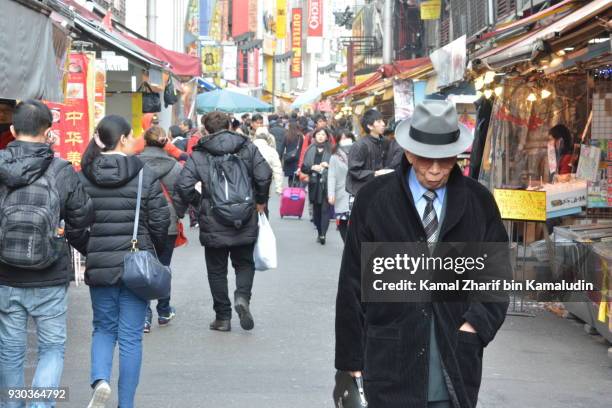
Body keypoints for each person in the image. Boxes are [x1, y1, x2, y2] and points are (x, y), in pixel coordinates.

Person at [335, 100, 510, 408]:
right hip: (389, 354)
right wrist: (350, 356)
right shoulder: (374, 199)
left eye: (444, 160)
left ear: (456, 155)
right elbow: (351, 282)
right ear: (408, 151)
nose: (434, 170)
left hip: (454, 353)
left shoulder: (478, 202)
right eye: (426, 159)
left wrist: (475, 326)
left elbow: (496, 274)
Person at [0, 100, 94, 408]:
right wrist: (88, 253)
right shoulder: (61, 170)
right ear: (49, 131)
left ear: (12, 130)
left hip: (5, 273)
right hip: (50, 273)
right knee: (51, 348)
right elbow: (80, 221)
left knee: (10, 350)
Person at [79, 115, 170, 408]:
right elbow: (160, 221)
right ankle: (126, 404)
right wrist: (150, 248)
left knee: (103, 328)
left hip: (100, 265)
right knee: (131, 337)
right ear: (121, 139)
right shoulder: (143, 174)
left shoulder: (83, 175)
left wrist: (91, 248)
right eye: (131, 137)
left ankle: (100, 379)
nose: (133, 141)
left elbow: (75, 224)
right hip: (136, 265)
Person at [176, 111, 272, 332]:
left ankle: (223, 317)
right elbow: (264, 175)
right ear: (230, 125)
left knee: (217, 270)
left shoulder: (199, 154)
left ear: (206, 129)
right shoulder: (247, 147)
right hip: (244, 215)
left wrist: (201, 202)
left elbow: (183, 185)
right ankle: (242, 297)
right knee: (245, 263)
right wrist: (260, 201)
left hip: (213, 218)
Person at [138, 126, 185, 333]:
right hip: (168, 222)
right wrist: (179, 213)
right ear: (165, 142)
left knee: (142, 267)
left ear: (145, 142)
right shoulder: (174, 166)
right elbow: (182, 193)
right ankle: (164, 310)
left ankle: (144, 316)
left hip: (140, 222)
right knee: (163, 266)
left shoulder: (134, 164)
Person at [346, 109, 393, 197]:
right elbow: (354, 170)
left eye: (382, 120)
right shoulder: (360, 145)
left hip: (380, 188)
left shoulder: (385, 141)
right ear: (370, 126)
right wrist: (375, 173)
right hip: (362, 191)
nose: (383, 124)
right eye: (379, 121)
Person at [301, 127, 333, 245]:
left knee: (325, 209)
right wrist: (312, 168)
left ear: (327, 137)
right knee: (316, 210)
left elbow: (337, 166)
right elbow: (304, 167)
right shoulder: (310, 149)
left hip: (327, 182)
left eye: (323, 134)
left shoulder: (331, 150)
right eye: (318, 134)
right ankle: (319, 232)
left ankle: (323, 234)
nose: (320, 136)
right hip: (314, 183)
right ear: (314, 136)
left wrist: (328, 165)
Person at [327, 129, 355, 243]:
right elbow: (331, 176)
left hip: (356, 190)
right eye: (342, 139)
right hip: (341, 191)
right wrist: (331, 194)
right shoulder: (334, 157)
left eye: (347, 138)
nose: (345, 141)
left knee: (356, 219)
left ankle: (354, 244)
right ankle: (347, 244)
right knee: (343, 220)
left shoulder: (358, 152)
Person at [253, 127, 283, 214]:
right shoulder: (271, 151)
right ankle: (264, 224)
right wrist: (278, 187)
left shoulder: (248, 149)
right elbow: (277, 169)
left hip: (250, 183)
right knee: (264, 205)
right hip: (266, 184)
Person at [283, 120, 304, 186]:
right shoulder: (300, 136)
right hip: (298, 158)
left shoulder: (286, 136)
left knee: (290, 177)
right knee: (297, 176)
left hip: (289, 159)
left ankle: (291, 191)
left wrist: (281, 158)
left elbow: (282, 148)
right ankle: (297, 192)